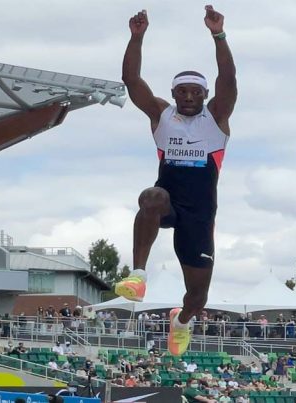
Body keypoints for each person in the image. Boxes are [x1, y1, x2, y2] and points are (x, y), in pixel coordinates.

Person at [113, 5, 237, 358]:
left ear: (204, 95)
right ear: (174, 92)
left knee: (197, 297)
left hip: (199, 214)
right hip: (167, 203)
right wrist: (136, 38)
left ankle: (181, 321)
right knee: (150, 196)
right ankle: (137, 274)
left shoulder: (217, 119)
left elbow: (229, 81)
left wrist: (219, 36)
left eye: (194, 92)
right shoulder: (160, 115)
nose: (187, 97)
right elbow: (131, 81)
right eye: (181, 91)